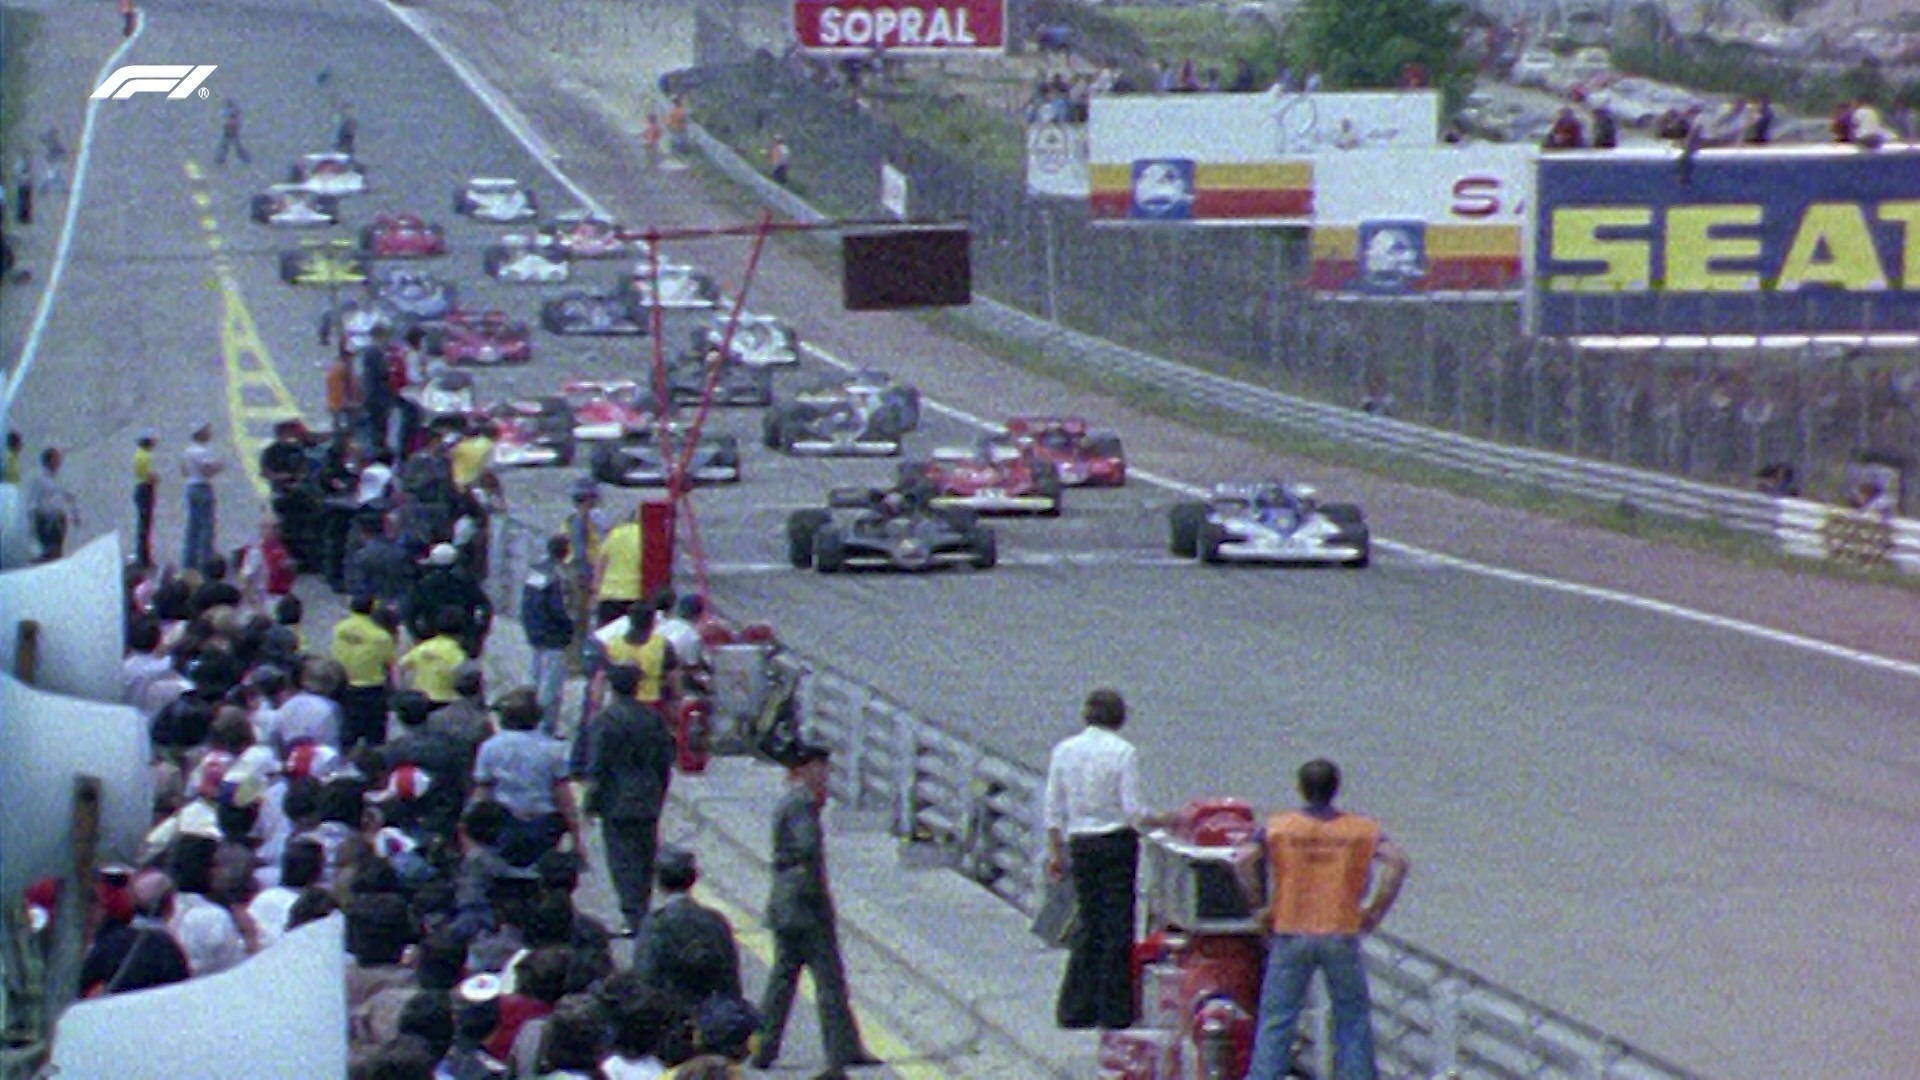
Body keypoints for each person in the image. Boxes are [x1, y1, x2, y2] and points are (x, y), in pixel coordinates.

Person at [1236, 758, 1410, 1080]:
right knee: (1352, 1016)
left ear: (1301, 789)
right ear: (1336, 789)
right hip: (1341, 930)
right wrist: (1374, 911)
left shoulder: (1279, 826)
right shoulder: (1361, 829)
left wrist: (1258, 908)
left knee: (1278, 1017)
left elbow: (1243, 860)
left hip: (1290, 929)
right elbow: (1398, 862)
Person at [1042, 688, 1171, 1030]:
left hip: (1080, 842)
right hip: (1115, 843)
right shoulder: (1123, 752)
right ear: (1120, 717)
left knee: (1089, 921)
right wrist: (1164, 819)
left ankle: (1075, 1007)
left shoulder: (1064, 750)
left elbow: (1053, 809)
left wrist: (1055, 852)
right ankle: (1113, 1010)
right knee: (1117, 925)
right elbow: (1132, 811)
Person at [751, 743, 882, 1076]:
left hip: (784, 904)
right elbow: (807, 846)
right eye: (821, 766)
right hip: (806, 907)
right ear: (806, 768)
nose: (825, 773)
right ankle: (841, 1050)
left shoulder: (788, 801)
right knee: (829, 982)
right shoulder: (803, 804)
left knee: (782, 979)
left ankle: (762, 1047)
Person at [577, 664, 676, 937]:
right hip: (647, 795)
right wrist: (659, 791)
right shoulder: (652, 718)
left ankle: (632, 913)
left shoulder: (605, 720)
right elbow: (664, 759)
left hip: (616, 800)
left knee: (622, 859)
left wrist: (589, 803)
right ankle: (642, 905)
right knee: (645, 854)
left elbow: (597, 766)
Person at [472, 687, 582, 868]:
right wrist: (577, 839)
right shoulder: (553, 749)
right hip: (544, 822)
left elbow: (482, 792)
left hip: (503, 822)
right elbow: (563, 797)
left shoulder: (490, 747)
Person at [636, 846, 743, 1009]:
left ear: (658, 883)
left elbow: (645, 975)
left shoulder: (656, 924)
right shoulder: (715, 921)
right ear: (693, 879)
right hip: (710, 1012)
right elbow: (730, 977)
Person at [522, 534, 576, 732]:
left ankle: (525, 715)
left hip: (534, 633)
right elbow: (560, 608)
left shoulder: (535, 571)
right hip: (554, 636)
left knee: (533, 678)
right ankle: (545, 726)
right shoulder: (559, 576)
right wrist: (570, 627)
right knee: (551, 686)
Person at [332, 593, 397, 749]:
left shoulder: (339, 629)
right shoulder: (380, 636)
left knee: (346, 734)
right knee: (375, 738)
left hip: (343, 685)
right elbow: (389, 665)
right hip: (371, 688)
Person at [181, 422, 225, 572]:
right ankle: (206, 560)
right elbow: (207, 470)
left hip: (190, 487)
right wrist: (219, 466)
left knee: (193, 525)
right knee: (207, 526)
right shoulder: (202, 452)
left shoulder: (188, 450)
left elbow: (184, 470)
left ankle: (189, 561)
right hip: (202, 487)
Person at [26, 446, 80, 562]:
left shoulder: (59, 478)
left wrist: (75, 515)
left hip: (59, 519)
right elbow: (33, 503)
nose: (59, 462)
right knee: (50, 551)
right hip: (46, 520)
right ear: (48, 461)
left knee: (58, 551)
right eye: (56, 459)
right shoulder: (39, 479)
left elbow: (69, 496)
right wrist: (32, 524)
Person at [132, 431, 158, 567]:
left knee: (142, 525)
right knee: (145, 526)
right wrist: (156, 479)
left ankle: (142, 556)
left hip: (139, 488)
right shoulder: (146, 457)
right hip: (145, 490)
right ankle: (144, 558)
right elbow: (149, 476)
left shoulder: (138, 454)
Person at [215, 98, 251, 165]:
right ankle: (220, 159)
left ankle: (220, 159)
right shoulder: (233, 111)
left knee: (231, 145)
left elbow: (225, 120)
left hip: (231, 130)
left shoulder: (228, 112)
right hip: (230, 130)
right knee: (229, 145)